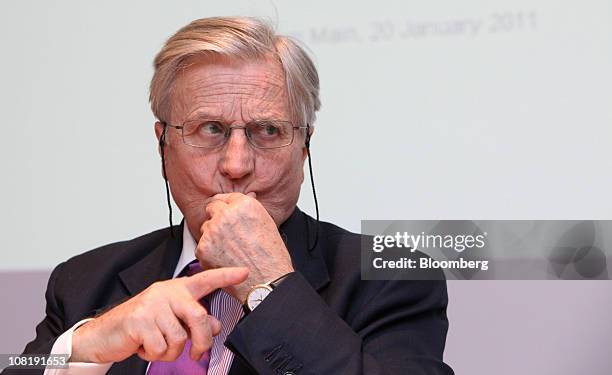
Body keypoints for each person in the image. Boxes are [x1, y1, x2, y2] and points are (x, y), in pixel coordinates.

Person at [4, 17, 453, 375]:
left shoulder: (389, 279)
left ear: (305, 146)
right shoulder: (85, 278)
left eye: (268, 131)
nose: (237, 165)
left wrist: (270, 289)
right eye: (210, 130)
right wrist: (85, 345)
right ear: (164, 145)